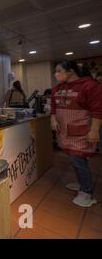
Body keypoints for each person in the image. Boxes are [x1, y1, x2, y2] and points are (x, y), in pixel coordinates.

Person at [51, 61, 102, 207]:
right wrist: (53, 119)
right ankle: (81, 183)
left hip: (81, 131)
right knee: (75, 161)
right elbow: (54, 105)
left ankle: (87, 192)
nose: (56, 74)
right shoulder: (58, 88)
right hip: (65, 131)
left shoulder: (90, 86)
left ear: (70, 71)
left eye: (58, 71)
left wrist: (94, 130)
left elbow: (97, 110)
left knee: (79, 161)